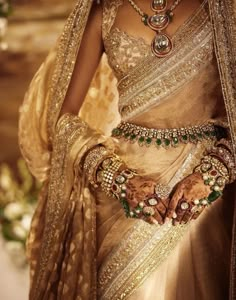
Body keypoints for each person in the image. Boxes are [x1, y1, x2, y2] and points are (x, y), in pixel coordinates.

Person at [18, 0, 236, 299]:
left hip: (205, 200)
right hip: (125, 199)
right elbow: (63, 118)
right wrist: (117, 178)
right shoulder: (103, 12)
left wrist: (212, 174)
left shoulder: (223, 10)